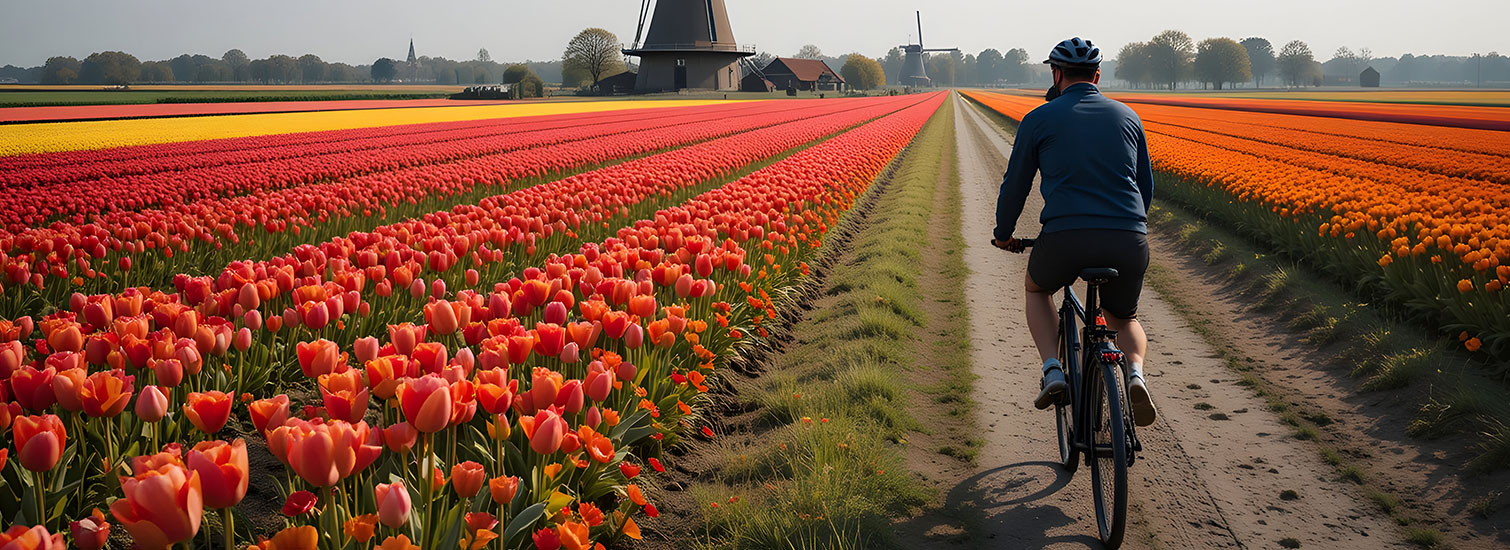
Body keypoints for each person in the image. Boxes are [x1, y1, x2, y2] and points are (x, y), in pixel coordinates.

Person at [991, 37, 1158, 426]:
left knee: (1037, 288)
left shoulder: (1039, 118)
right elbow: (1145, 186)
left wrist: (1004, 233)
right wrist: (1131, 227)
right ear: (1098, 75)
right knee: (1124, 317)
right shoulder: (1128, 116)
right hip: (1128, 236)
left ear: (1057, 74)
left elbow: (1016, 184)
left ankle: (1052, 368)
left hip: (1066, 238)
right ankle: (1135, 374)